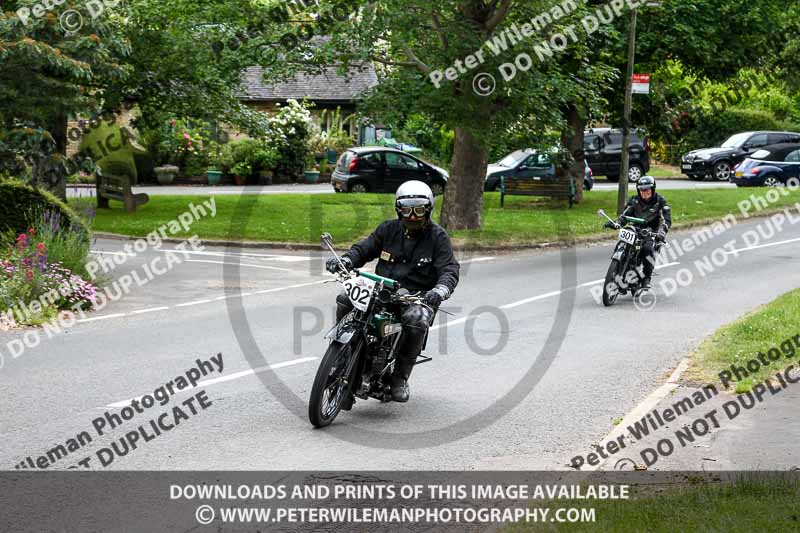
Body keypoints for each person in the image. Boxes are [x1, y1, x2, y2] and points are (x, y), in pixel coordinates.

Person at [325, 180, 460, 403]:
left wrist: (440, 290)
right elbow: (364, 248)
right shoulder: (387, 229)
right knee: (345, 299)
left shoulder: (438, 237)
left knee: (416, 320)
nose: (413, 216)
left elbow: (449, 269)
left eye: (419, 209)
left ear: (428, 209)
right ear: (399, 209)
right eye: (407, 209)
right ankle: (340, 356)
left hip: (416, 297)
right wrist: (347, 260)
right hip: (381, 291)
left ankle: (399, 378)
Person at [605, 176, 672, 290]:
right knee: (623, 242)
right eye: (642, 190)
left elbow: (666, 219)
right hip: (635, 229)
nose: (644, 192)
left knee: (647, 248)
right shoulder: (634, 200)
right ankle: (619, 264)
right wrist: (617, 223)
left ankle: (646, 278)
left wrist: (661, 232)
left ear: (652, 189)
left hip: (651, 231)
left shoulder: (660, 201)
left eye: (647, 190)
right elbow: (625, 215)